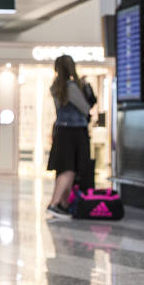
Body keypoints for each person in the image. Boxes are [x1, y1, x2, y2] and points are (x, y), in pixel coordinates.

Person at [46, 54, 93, 219]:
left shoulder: (56, 86)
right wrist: (85, 88)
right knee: (69, 170)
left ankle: (63, 205)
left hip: (61, 131)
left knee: (65, 169)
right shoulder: (72, 87)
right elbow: (85, 108)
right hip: (75, 132)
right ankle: (54, 203)